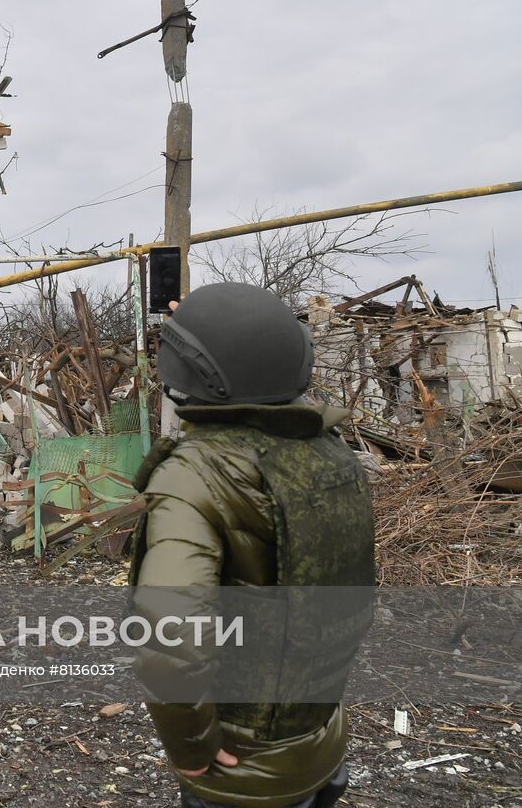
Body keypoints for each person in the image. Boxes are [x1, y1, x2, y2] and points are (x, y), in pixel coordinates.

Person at [128, 282, 376, 808]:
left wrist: (190, 747)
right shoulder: (330, 454)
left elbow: (172, 640)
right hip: (319, 742)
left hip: (242, 770)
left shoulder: (193, 476)